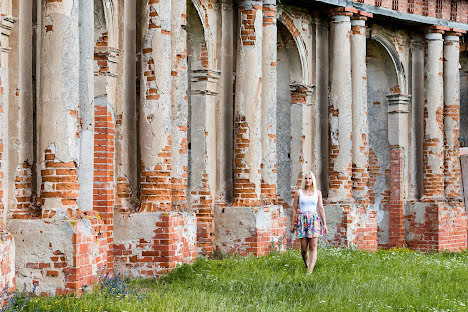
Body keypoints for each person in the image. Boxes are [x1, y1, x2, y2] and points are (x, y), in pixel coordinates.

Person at [290, 171, 328, 273]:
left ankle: (309, 271)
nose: (307, 180)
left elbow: (320, 208)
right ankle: (307, 264)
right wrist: (292, 224)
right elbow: (294, 209)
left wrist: (324, 224)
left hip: (314, 221)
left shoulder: (317, 193)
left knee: (313, 247)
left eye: (310, 178)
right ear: (304, 180)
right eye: (306, 178)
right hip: (302, 220)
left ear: (313, 180)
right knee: (303, 249)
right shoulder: (299, 192)